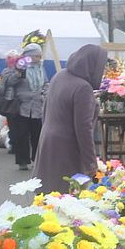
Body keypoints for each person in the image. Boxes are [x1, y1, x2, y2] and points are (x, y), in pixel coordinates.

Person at [34, 44, 107, 193]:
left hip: (48, 141)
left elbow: (46, 108)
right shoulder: (83, 87)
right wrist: (91, 164)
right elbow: (83, 129)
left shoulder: (60, 75)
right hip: (67, 149)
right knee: (66, 197)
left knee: (47, 194)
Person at [3, 44, 47, 170]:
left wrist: (45, 92)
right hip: (21, 106)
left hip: (37, 106)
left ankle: (37, 160)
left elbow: (45, 83)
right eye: (35, 56)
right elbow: (10, 82)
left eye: (39, 56)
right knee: (21, 135)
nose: (38, 58)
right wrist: (18, 73)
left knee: (37, 134)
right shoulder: (19, 66)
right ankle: (22, 161)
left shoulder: (40, 68)